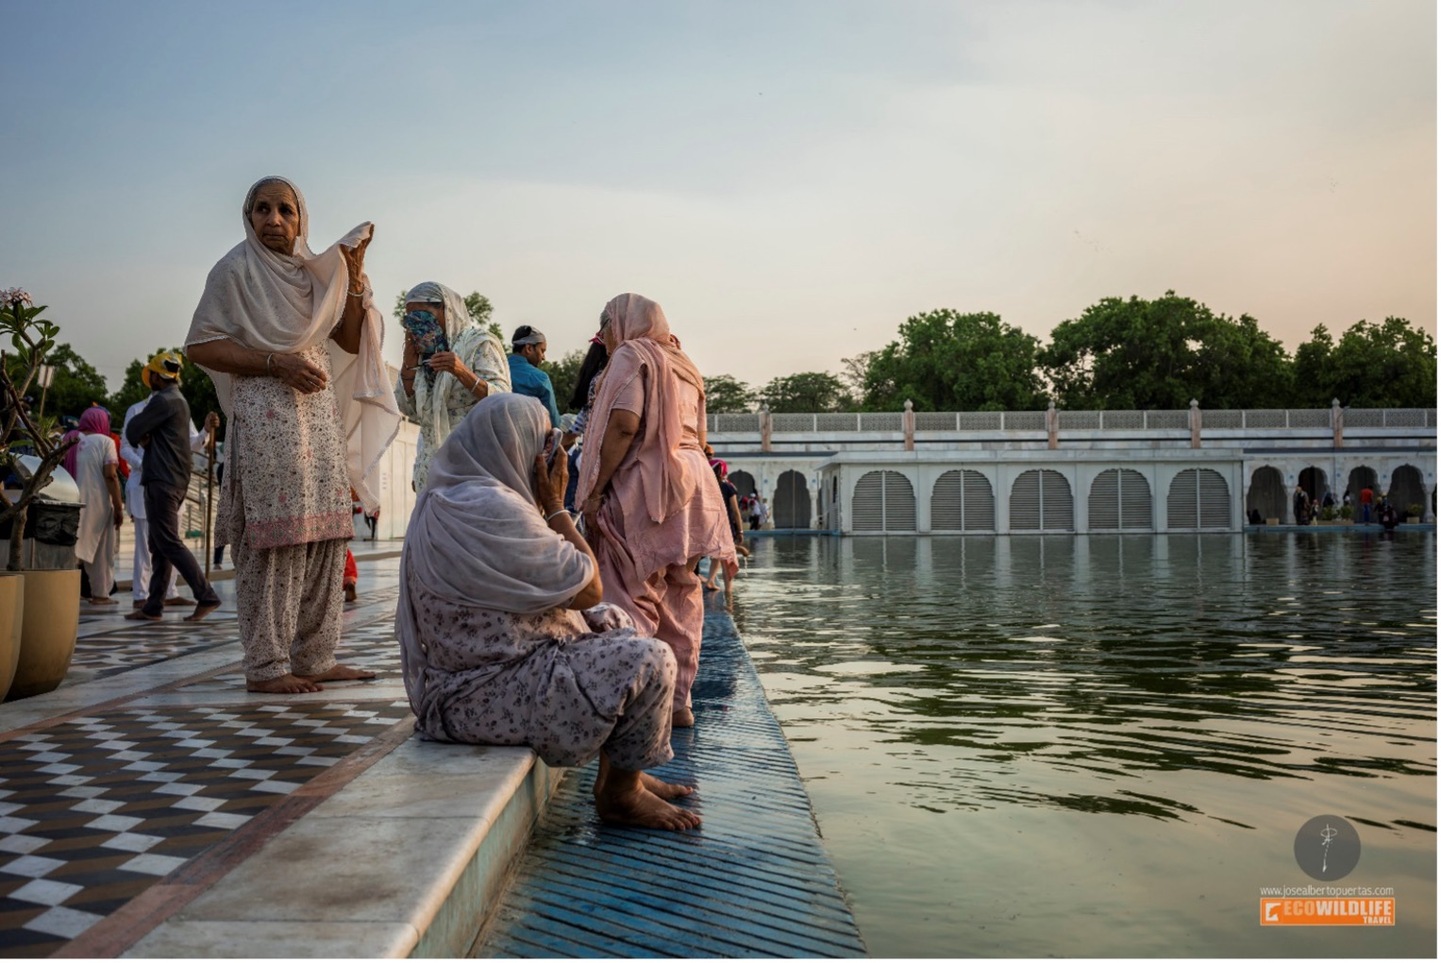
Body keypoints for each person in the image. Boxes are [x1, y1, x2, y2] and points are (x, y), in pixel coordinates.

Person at [396, 394, 700, 831]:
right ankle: (620, 795)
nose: (553, 459)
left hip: (458, 690)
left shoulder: (444, 498)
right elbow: (587, 587)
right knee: (651, 660)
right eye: (546, 447)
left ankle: (621, 771)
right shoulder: (492, 508)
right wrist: (556, 506)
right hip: (484, 698)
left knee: (614, 620)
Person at [185, 175, 400, 693]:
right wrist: (272, 362)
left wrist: (353, 276)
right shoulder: (234, 270)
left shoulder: (313, 273)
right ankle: (266, 665)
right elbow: (200, 345)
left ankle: (316, 656)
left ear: (302, 217)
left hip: (318, 416)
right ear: (248, 217)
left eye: (285, 210)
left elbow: (350, 339)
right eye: (262, 209)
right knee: (274, 538)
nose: (274, 220)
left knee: (327, 534)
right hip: (264, 416)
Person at [575, 293, 736, 729]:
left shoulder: (632, 356)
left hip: (648, 485)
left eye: (605, 328)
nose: (604, 338)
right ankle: (679, 704)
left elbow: (624, 425)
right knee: (681, 594)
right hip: (695, 487)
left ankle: (634, 703)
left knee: (628, 591)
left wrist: (596, 489)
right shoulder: (685, 363)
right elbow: (701, 437)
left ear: (620, 324)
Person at [122, 357, 224, 623]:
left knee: (167, 541)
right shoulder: (179, 401)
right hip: (173, 480)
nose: (150, 380)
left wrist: (145, 437)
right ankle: (153, 605)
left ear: (157, 376)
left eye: (152, 375)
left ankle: (206, 595)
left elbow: (132, 430)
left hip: (162, 480)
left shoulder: (163, 400)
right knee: (159, 544)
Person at [395, 281, 509, 492]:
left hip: (473, 463)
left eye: (423, 317)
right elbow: (409, 410)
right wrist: (408, 366)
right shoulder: (423, 356)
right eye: (410, 321)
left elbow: (503, 400)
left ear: (446, 311)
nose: (418, 327)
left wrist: (461, 371)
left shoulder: (479, 344)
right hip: (432, 468)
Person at [64, 407, 124, 605]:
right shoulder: (105, 442)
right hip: (97, 502)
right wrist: (118, 506)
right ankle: (100, 594)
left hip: (69, 501)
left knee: (72, 548)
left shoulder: (68, 439)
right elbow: (111, 475)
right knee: (102, 551)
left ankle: (65, 592)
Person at [508, 325, 561, 427]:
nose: (543, 357)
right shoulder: (540, 378)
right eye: (542, 351)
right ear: (528, 348)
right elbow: (553, 422)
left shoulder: (498, 369)